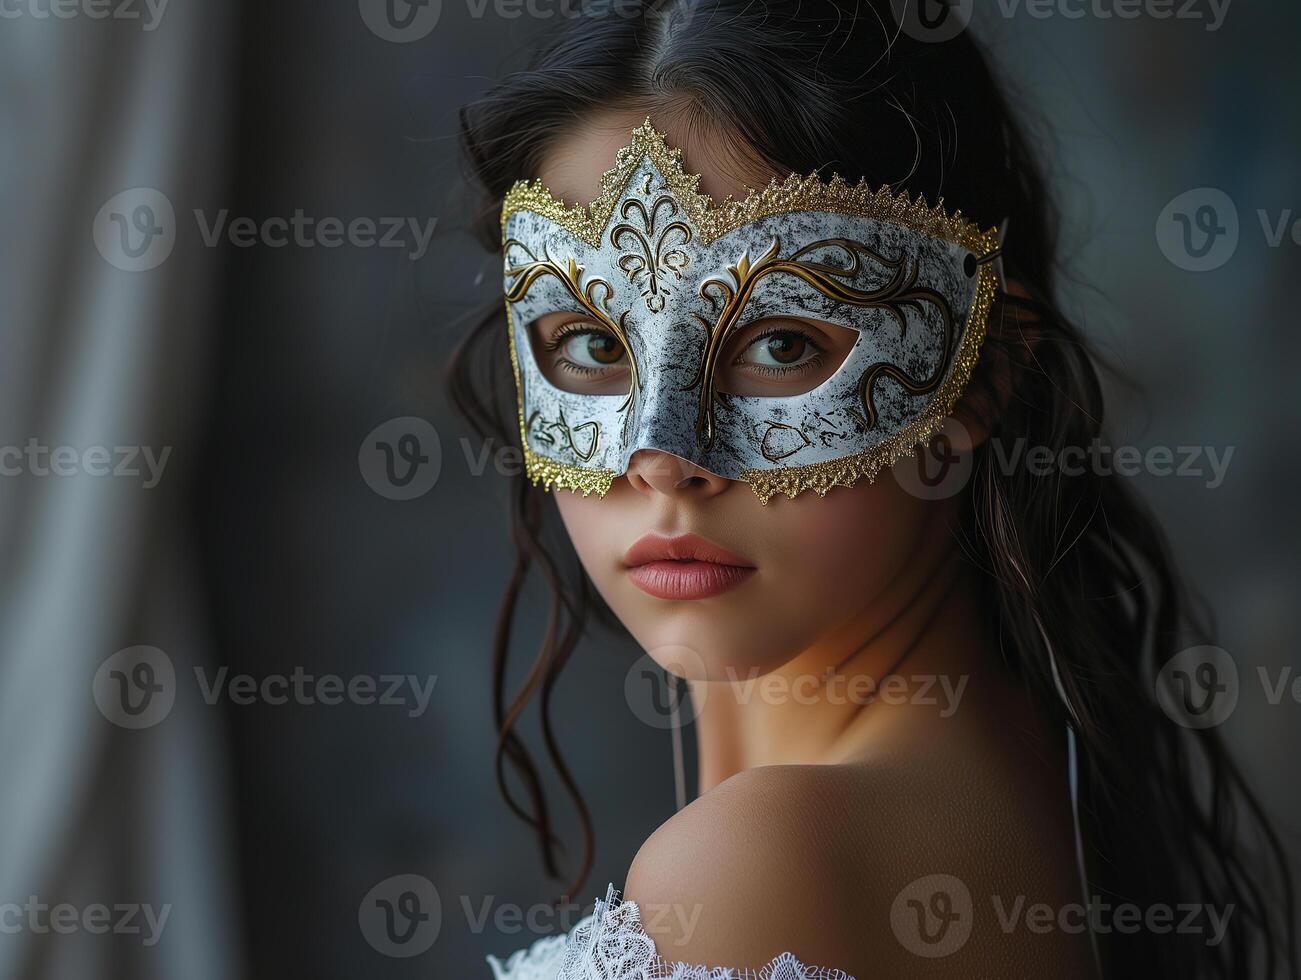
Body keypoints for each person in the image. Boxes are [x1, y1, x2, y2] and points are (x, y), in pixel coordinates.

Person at [450, 2, 1295, 976]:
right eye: (593, 344)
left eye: (781, 342)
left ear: (978, 374)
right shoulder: (1028, 774)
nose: (662, 456)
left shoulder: (757, 865)